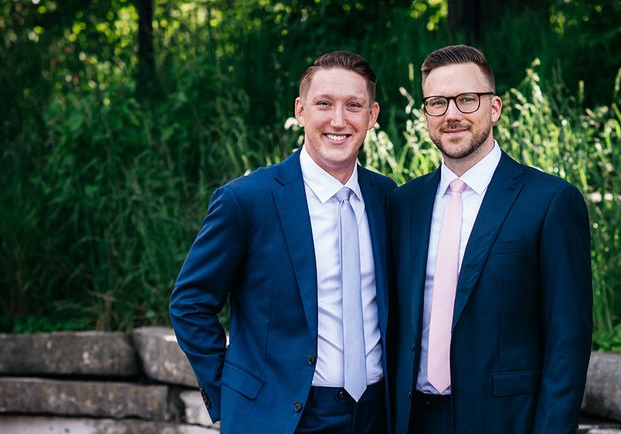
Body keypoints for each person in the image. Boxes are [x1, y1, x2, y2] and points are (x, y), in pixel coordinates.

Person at [170, 51, 395, 434]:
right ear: (301, 109)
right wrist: (232, 396)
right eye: (324, 104)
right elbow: (190, 302)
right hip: (282, 418)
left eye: (353, 106)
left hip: (376, 414)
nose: (338, 120)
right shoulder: (247, 200)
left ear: (371, 116)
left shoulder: (388, 197)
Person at [388, 44, 592, 434]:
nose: (452, 115)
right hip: (413, 421)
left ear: (494, 107)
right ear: (425, 113)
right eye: (437, 103)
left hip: (505, 421)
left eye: (467, 100)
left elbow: (568, 341)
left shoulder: (549, 202)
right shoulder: (403, 204)